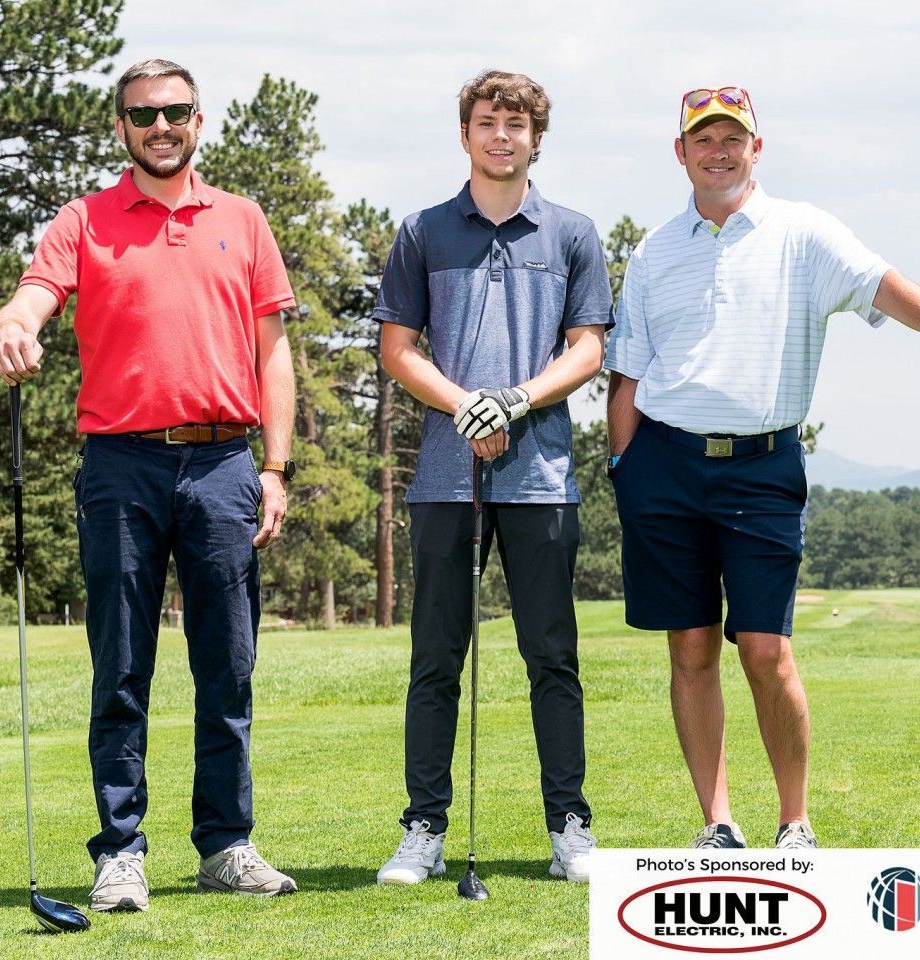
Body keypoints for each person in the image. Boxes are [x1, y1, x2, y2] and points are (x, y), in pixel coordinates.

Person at [603, 86, 920, 851]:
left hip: (761, 468)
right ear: (679, 152)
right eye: (702, 139)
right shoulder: (654, 251)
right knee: (688, 647)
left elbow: (882, 285)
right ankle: (718, 824)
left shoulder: (803, 233)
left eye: (732, 138)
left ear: (757, 148)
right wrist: (624, 467)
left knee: (763, 649)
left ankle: (795, 821)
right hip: (662, 466)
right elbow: (627, 375)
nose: (717, 151)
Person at [0, 58, 299, 910]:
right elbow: (31, 297)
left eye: (175, 112)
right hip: (120, 464)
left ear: (199, 120)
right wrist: (14, 327)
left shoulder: (242, 218)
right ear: (120, 127)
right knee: (121, 665)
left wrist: (275, 467)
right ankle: (120, 848)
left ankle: (225, 844)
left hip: (225, 463)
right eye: (143, 115)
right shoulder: (83, 220)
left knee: (227, 667)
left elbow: (274, 353)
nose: (160, 127)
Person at [371, 69, 613, 885]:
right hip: (445, 480)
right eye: (486, 121)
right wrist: (465, 405)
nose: (500, 135)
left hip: (540, 478)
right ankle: (423, 828)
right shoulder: (423, 232)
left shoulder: (573, 233)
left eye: (516, 123)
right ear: (465, 133)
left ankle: (568, 826)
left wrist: (510, 401)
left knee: (552, 656)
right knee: (436, 659)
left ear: (536, 137)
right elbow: (398, 349)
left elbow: (587, 348)